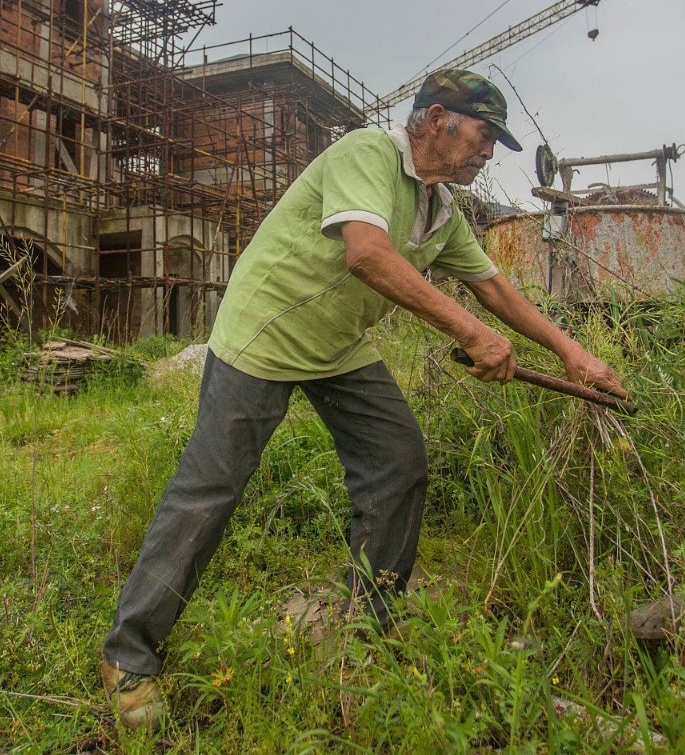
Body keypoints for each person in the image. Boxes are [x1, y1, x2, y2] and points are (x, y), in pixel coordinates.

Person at [99, 69, 627, 728]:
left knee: (398, 460)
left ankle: (364, 630)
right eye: (485, 134)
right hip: (267, 330)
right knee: (212, 488)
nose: (489, 151)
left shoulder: (438, 209)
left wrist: (575, 354)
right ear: (436, 118)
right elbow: (367, 255)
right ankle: (129, 656)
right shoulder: (366, 155)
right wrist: (469, 332)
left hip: (338, 344)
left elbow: (496, 290)